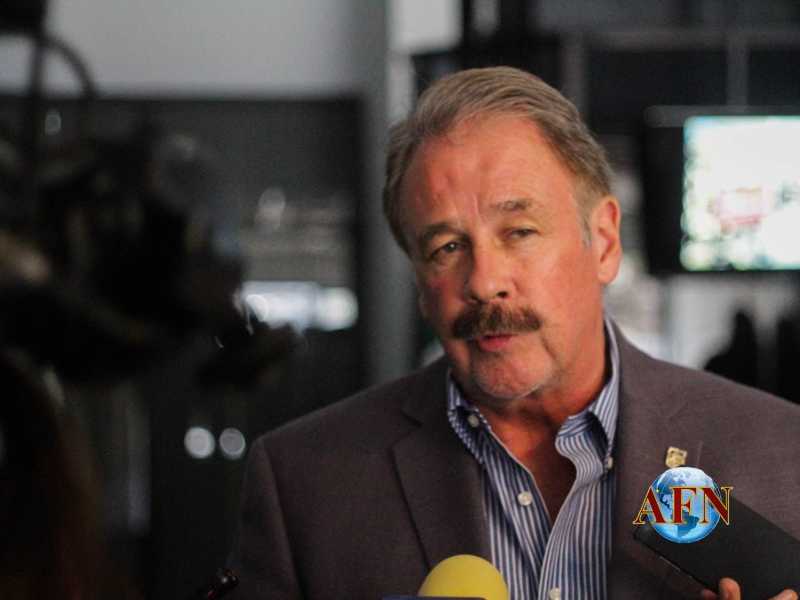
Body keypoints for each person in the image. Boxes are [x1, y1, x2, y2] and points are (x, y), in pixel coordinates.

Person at [229, 67, 800, 600]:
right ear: (420, 283)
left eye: (519, 232)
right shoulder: (305, 482)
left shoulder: (781, 454)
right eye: (447, 247)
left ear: (603, 242)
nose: (484, 281)